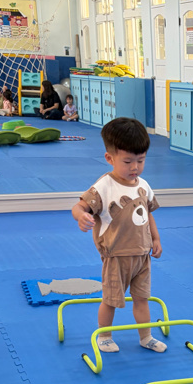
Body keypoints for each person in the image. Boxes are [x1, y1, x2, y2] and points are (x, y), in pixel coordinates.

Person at [71, 118, 164, 355]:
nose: (135, 167)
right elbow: (79, 206)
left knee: (142, 299)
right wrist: (81, 216)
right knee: (111, 300)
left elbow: (148, 214)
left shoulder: (143, 185)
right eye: (128, 161)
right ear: (110, 158)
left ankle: (146, 336)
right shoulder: (105, 185)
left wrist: (155, 239)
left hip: (142, 256)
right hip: (116, 256)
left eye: (141, 160)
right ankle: (104, 335)